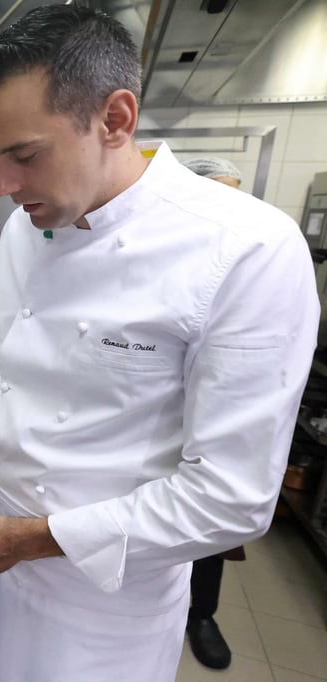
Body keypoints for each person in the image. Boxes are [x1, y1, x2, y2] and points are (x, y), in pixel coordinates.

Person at [0, 6, 318, 681]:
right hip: (3, 575)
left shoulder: (248, 249)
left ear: (116, 119)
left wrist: (29, 539)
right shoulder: (27, 229)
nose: (4, 188)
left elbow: (230, 498)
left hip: (108, 609)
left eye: (25, 155)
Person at [178, 155, 246, 670]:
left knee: (209, 535)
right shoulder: (174, 265)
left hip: (216, 430)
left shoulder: (245, 266)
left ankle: (202, 614)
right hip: (161, 434)